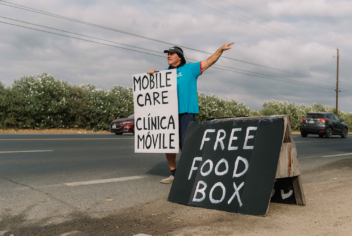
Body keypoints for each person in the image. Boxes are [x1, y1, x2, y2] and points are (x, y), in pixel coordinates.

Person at [147, 42, 234, 184]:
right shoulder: (162, 73)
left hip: (186, 111)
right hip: (168, 113)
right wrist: (150, 75)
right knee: (168, 143)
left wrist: (221, 49)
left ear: (179, 57)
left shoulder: (191, 68)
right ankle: (173, 174)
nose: (168, 56)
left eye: (171, 54)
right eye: (167, 54)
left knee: (185, 143)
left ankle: (190, 172)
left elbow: (209, 61)